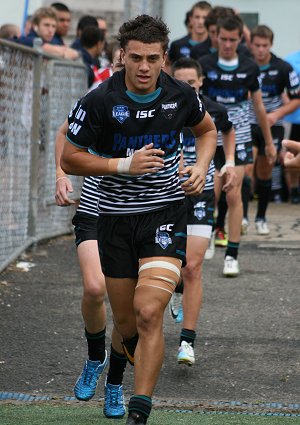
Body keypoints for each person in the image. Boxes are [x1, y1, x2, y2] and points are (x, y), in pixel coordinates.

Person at [60, 14, 217, 425]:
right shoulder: (99, 101)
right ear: (122, 58)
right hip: (112, 220)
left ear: (164, 58)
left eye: (152, 58)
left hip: (164, 214)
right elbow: (69, 156)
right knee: (127, 323)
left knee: (149, 313)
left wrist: (201, 166)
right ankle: (113, 362)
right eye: (136, 58)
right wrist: (122, 165)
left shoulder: (180, 94)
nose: (144, 67)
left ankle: (138, 413)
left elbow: (207, 131)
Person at [55, 47, 127, 418]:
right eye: (119, 63)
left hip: (134, 214)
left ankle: (115, 383)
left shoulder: (161, 100)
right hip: (95, 208)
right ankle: (94, 358)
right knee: (95, 288)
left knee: (126, 309)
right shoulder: (96, 99)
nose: (125, 69)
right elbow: (65, 133)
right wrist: (61, 174)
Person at [199, 14, 276, 277]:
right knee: (212, 191)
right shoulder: (205, 64)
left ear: (239, 39)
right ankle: (207, 231)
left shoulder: (249, 67)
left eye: (233, 39)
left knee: (234, 192)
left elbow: (259, 105)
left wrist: (267, 142)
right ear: (216, 37)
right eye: (224, 39)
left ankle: (232, 255)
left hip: (240, 135)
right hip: (210, 135)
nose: (228, 44)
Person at [170, 57, 235, 366]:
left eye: (192, 83)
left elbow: (227, 132)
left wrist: (228, 163)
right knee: (174, 269)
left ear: (201, 82)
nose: (187, 88)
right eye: (180, 83)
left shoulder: (213, 110)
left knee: (193, 267)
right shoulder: (162, 109)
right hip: (165, 196)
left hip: (200, 194)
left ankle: (186, 342)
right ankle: (173, 286)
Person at [244, 25, 300, 235]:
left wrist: (277, 114)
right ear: (252, 45)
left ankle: (261, 217)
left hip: (273, 124)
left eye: (264, 46)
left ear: (271, 45)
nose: (260, 49)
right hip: (248, 122)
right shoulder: (244, 65)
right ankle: (242, 216)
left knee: (266, 168)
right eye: (256, 45)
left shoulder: (283, 68)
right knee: (247, 168)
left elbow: (296, 100)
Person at [284, 49, 300, 203]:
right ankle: (294, 189)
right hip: (295, 118)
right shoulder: (290, 60)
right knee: (293, 156)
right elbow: (282, 89)